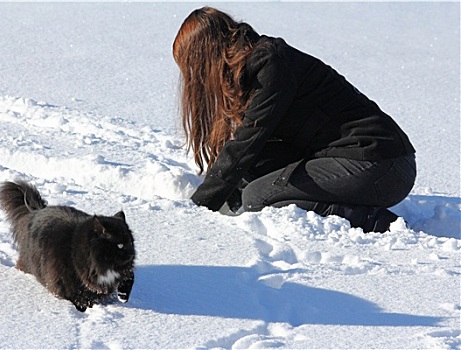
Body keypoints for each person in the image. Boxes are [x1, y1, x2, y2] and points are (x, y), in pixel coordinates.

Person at [172, 7, 416, 232]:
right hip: (355, 158)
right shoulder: (254, 68)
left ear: (207, 55)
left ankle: (375, 222)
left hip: (382, 165)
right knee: (252, 170)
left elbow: (246, 143)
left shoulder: (271, 66)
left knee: (258, 197)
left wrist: (198, 209)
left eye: (194, 68)